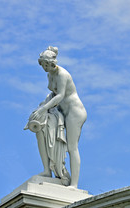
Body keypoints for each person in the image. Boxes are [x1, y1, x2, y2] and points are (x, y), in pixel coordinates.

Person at [29, 46, 87, 188]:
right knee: (42, 129)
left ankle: (74, 184)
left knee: (72, 147)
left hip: (74, 112)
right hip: (60, 109)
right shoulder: (50, 74)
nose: (43, 68)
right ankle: (47, 170)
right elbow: (54, 95)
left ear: (50, 63)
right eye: (42, 65)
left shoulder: (63, 74)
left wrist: (44, 108)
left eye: (44, 65)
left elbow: (61, 95)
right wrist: (42, 107)